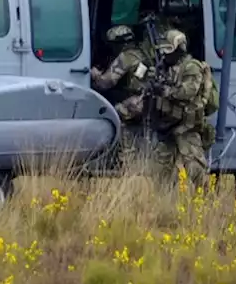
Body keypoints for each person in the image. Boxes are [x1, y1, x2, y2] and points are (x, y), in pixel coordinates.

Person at [148, 28, 215, 187]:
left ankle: (203, 203)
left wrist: (165, 90)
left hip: (186, 125)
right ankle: (163, 202)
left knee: (195, 167)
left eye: (169, 49)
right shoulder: (165, 67)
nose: (165, 54)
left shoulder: (192, 67)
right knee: (160, 169)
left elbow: (188, 92)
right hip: (167, 124)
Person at [90, 25, 153, 168]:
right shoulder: (142, 53)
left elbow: (105, 83)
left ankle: (123, 156)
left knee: (109, 115)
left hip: (136, 103)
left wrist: (95, 75)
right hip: (147, 101)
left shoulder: (125, 57)